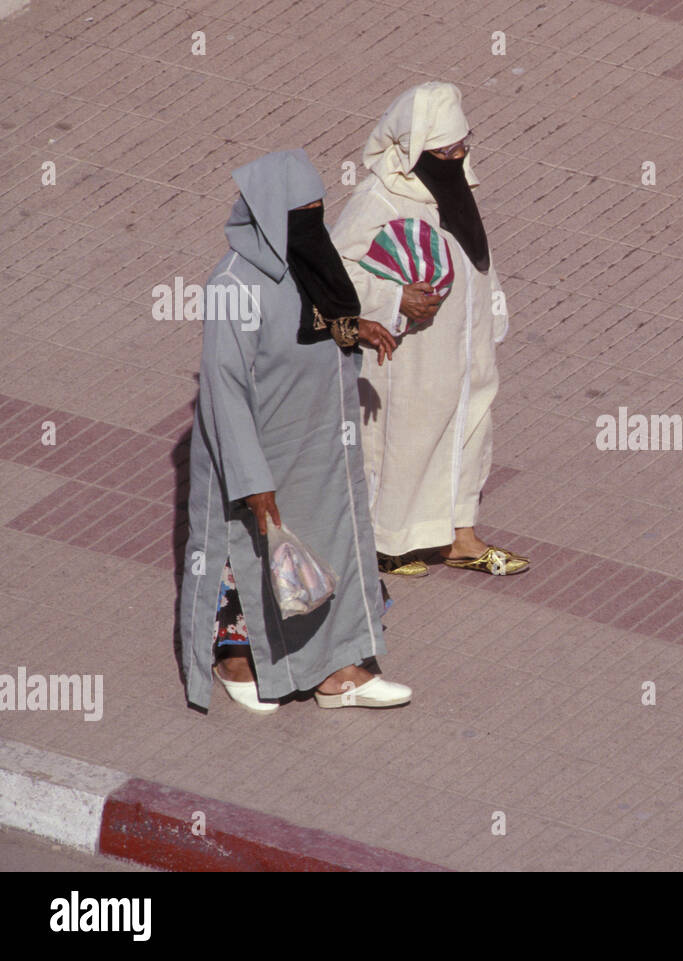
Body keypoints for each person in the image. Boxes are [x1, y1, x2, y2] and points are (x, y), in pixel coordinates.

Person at [179, 148, 412, 714]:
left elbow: (315, 324)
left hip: (319, 444)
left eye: (319, 209)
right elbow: (224, 391)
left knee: (327, 546)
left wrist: (355, 329)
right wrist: (251, 477)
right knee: (250, 554)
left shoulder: (305, 262)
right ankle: (238, 656)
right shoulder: (233, 284)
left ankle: (339, 670)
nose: (314, 222)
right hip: (263, 450)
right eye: (301, 213)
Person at [332, 81, 528, 578]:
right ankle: (389, 540)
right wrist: (395, 299)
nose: (457, 157)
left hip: (467, 345)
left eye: (463, 146)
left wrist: (493, 315)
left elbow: (475, 254)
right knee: (407, 439)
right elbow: (334, 274)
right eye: (445, 150)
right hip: (409, 351)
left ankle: (460, 535)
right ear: (416, 150)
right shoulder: (379, 198)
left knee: (470, 429)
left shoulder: (455, 184)